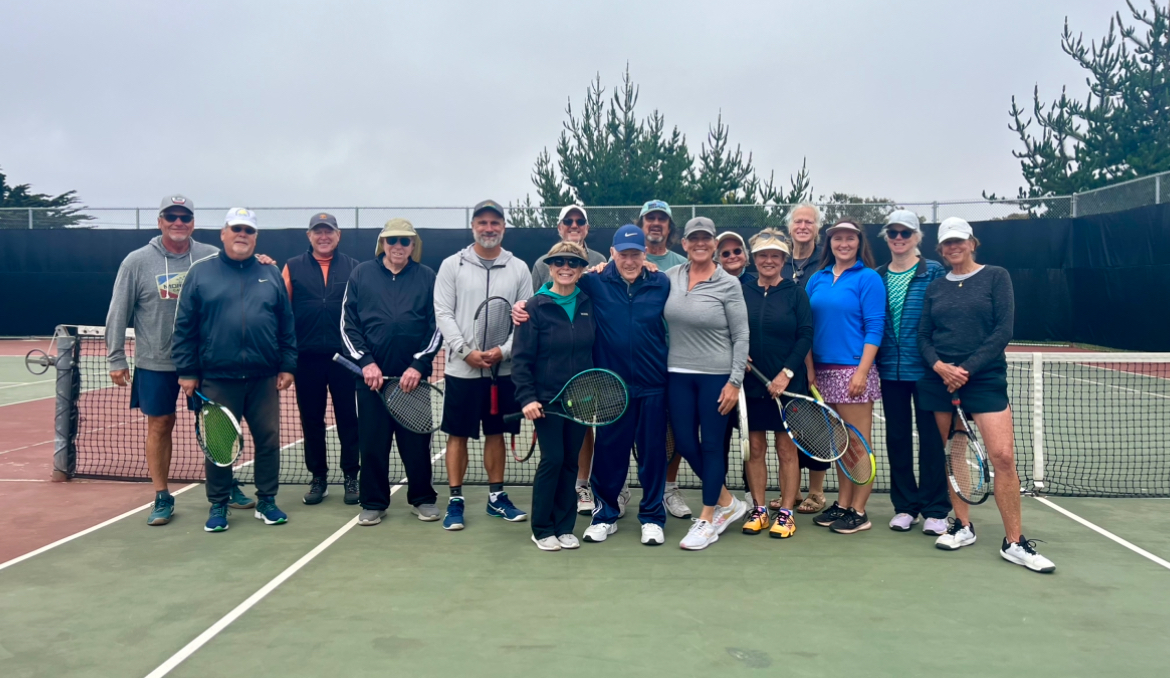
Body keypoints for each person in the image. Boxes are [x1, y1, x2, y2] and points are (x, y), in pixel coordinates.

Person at [513, 224, 673, 546]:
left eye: (636, 254)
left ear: (645, 255)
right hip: (610, 386)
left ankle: (653, 517)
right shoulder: (595, 282)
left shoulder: (661, 282)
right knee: (608, 454)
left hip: (653, 384)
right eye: (623, 254)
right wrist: (522, 307)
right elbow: (558, 283)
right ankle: (605, 515)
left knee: (653, 454)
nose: (630, 261)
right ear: (612, 254)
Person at [919, 218, 1055, 573]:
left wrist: (966, 370)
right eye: (947, 243)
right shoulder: (935, 288)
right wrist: (941, 368)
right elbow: (923, 337)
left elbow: (1002, 330)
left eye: (959, 241)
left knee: (1003, 456)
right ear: (940, 249)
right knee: (954, 452)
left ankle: (1014, 541)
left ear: (972, 243)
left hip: (984, 379)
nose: (954, 247)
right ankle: (962, 526)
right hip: (941, 381)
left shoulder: (996, 276)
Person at [105, 195, 250, 526]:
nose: (178, 222)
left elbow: (243, 273)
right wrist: (116, 357)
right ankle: (161, 495)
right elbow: (118, 311)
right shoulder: (136, 262)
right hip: (155, 363)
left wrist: (264, 261)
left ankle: (225, 486)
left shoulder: (212, 256)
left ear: (193, 223)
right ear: (160, 221)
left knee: (217, 426)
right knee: (160, 424)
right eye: (171, 216)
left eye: (185, 217)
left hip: (205, 362)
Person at [173, 208, 297, 532]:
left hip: (263, 378)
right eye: (236, 229)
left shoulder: (270, 274)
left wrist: (287, 365)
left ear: (255, 237)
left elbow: (286, 324)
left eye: (249, 230)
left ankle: (267, 501)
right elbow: (184, 327)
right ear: (223, 233)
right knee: (218, 446)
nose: (242, 234)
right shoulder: (200, 274)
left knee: (269, 441)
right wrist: (187, 371)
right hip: (217, 378)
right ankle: (218, 504)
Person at [433, 199, 533, 530]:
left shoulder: (519, 268)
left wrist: (503, 352)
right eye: (483, 222)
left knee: (496, 433)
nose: (489, 228)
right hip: (462, 370)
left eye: (495, 223)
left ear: (503, 227)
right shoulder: (452, 265)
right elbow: (443, 312)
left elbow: (524, 318)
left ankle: (496, 497)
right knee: (457, 434)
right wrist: (464, 350)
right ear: (473, 227)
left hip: (501, 371)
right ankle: (456, 500)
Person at [341, 219, 443, 526]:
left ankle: (422, 498)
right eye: (392, 240)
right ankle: (373, 502)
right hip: (371, 382)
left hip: (412, 380)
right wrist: (366, 362)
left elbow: (436, 325)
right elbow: (349, 324)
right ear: (383, 243)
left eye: (405, 241)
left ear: (414, 245)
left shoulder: (427, 277)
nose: (398, 246)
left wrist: (418, 365)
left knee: (415, 444)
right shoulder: (361, 274)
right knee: (372, 443)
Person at [664, 217, 750, 550]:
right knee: (685, 443)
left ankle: (708, 516)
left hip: (717, 378)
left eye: (706, 239)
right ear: (683, 244)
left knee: (713, 445)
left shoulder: (728, 284)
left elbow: (741, 335)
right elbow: (631, 269)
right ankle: (728, 502)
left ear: (713, 244)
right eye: (693, 239)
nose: (700, 243)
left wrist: (734, 381)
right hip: (677, 375)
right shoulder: (670, 277)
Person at [513, 242, 596, 551]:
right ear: (549, 266)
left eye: (573, 262)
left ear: (581, 269)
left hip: (581, 400)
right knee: (554, 459)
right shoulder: (534, 307)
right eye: (559, 261)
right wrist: (527, 398)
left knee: (571, 463)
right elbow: (521, 359)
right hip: (546, 400)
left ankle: (565, 526)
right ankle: (542, 527)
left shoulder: (589, 301)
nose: (566, 266)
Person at [805, 219, 885, 535]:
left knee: (856, 443)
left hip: (853, 372)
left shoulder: (868, 279)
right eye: (838, 238)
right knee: (839, 444)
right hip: (821, 373)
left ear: (858, 242)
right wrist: (810, 367)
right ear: (830, 243)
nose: (844, 244)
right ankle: (843, 503)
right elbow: (806, 326)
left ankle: (859, 511)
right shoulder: (817, 279)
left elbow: (875, 327)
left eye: (849, 238)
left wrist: (862, 372)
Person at [527, 204, 607, 516]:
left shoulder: (601, 261)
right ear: (560, 227)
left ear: (586, 228)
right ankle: (545, 519)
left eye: (580, 221)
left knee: (581, 434)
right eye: (568, 221)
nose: (574, 225)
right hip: (550, 381)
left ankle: (583, 485)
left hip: (588, 365)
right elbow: (538, 303)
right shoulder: (539, 265)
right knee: (554, 457)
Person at [875, 210, 949, 535]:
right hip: (890, 372)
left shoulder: (933, 271)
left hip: (928, 372)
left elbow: (942, 319)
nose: (899, 238)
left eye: (906, 233)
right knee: (897, 438)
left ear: (918, 237)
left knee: (932, 440)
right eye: (893, 233)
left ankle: (936, 509)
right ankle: (905, 506)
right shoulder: (877, 276)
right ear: (887, 237)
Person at [282, 212, 361, 506]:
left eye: (329, 231)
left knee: (348, 421)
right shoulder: (292, 267)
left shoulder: (354, 268)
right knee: (311, 421)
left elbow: (359, 312)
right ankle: (318, 478)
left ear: (338, 235)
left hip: (344, 360)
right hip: (306, 360)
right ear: (309, 236)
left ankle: (352, 476)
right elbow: (280, 311)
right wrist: (286, 358)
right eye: (318, 231)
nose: (324, 236)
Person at [738, 229, 813, 539]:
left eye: (775, 255)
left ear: (784, 259)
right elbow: (732, 330)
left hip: (788, 385)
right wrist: (737, 356)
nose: (768, 260)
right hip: (752, 385)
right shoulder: (743, 291)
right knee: (754, 448)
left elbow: (805, 335)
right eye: (762, 255)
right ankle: (759, 509)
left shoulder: (796, 293)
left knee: (786, 450)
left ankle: (786, 513)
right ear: (754, 259)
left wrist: (786, 374)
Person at [637, 199, 691, 519]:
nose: (655, 223)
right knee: (630, 430)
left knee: (677, 429)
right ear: (641, 224)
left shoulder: (682, 264)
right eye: (650, 219)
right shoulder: (625, 260)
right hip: (637, 362)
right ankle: (619, 489)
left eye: (662, 219)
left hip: (676, 362)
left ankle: (669, 489)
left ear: (670, 227)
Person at [780, 202, 831, 515]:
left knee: (815, 426)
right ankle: (793, 492)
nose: (802, 226)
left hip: (817, 357)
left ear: (817, 228)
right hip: (782, 359)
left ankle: (816, 492)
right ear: (790, 227)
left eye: (808, 222)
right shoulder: (780, 261)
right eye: (798, 221)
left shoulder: (825, 261)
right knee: (788, 427)